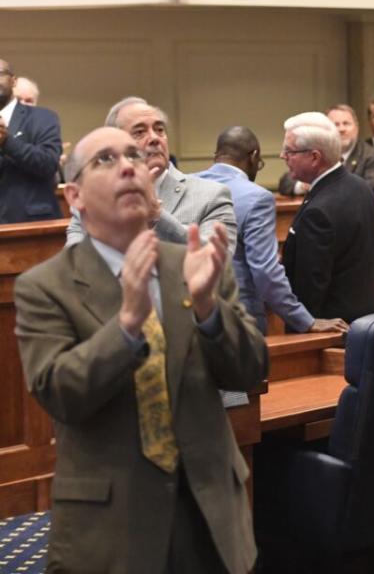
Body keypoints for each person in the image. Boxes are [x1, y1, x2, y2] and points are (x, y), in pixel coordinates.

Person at [14, 126, 267, 573]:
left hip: (210, 516)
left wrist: (208, 308)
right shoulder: (45, 287)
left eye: (133, 155)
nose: (129, 165)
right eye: (105, 160)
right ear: (75, 196)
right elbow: (59, 394)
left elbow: (249, 372)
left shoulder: (195, 264)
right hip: (111, 527)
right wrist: (127, 324)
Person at [194, 126, 348, 335]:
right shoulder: (256, 198)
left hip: (188, 317)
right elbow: (265, 271)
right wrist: (306, 321)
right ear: (254, 156)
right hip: (238, 323)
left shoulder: (187, 186)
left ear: (216, 156)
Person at [65, 96, 237, 253]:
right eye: (140, 132)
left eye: (160, 130)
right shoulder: (91, 202)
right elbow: (75, 267)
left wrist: (158, 217)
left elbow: (220, 258)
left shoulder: (211, 196)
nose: (155, 138)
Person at [281, 111, 374, 323]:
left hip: (331, 331)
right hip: (365, 320)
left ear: (315, 157)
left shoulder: (319, 212)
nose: (283, 156)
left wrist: (302, 325)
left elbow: (310, 288)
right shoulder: (359, 186)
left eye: (289, 151)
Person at [0, 58, 63, 223]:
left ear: (13, 80)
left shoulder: (42, 117)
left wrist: (7, 142)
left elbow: (49, 163)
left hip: (30, 225)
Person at [279, 104, 374, 197]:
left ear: (356, 127)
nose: (341, 129)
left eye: (346, 123)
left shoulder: (373, 155)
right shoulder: (318, 153)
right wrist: (303, 186)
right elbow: (286, 182)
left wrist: (320, 185)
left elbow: (372, 186)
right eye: (336, 124)